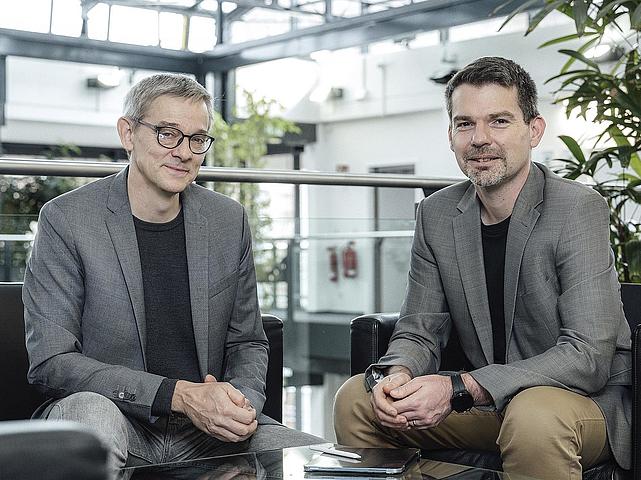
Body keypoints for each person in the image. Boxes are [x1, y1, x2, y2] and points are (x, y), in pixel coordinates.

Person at [334, 57, 632, 479]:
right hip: (489, 403)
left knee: (533, 415)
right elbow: (420, 328)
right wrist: (395, 374)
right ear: (451, 135)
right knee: (356, 400)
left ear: (534, 130)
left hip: (581, 402)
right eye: (465, 124)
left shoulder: (577, 209)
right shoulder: (437, 214)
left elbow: (587, 357)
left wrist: (460, 386)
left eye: (499, 121)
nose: (480, 139)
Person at [23, 73, 321, 472]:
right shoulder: (67, 219)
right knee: (94, 414)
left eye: (197, 139)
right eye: (168, 133)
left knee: (323, 459)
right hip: (114, 415)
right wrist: (178, 395)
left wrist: (238, 404)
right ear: (128, 134)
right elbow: (52, 361)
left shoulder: (227, 220)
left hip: (204, 431)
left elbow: (248, 341)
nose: (184, 152)